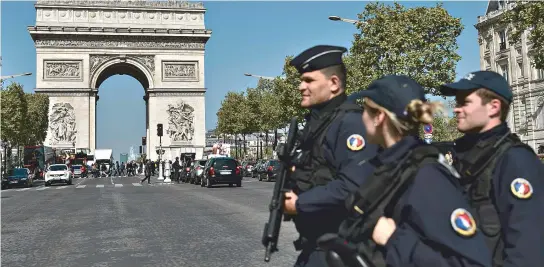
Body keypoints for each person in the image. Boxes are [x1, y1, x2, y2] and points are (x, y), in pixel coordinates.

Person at [325, 75, 491, 267]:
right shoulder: (386, 165)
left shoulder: (427, 175)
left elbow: (470, 263)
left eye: (365, 110)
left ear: (379, 117)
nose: (361, 117)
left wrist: (393, 239)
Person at [281, 45, 379, 267]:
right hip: (317, 246)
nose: (300, 87)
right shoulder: (318, 123)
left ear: (334, 83)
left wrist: (300, 203)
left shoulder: (352, 123)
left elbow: (355, 186)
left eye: (309, 80)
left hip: (343, 248)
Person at [440, 70, 544, 267]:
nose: (456, 109)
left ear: (493, 107)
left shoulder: (515, 160)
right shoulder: (462, 155)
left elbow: (527, 252)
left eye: (465, 102)